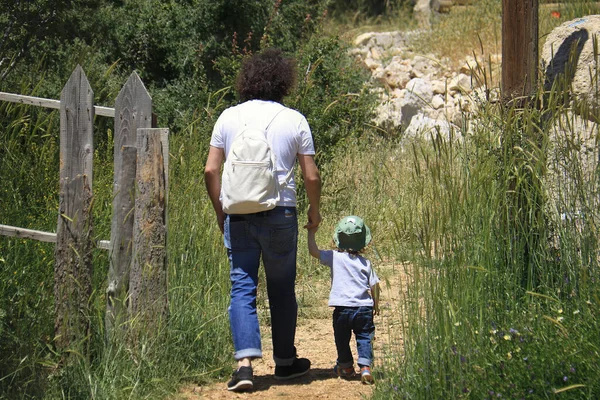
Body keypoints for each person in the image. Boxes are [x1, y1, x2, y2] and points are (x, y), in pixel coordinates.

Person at [204, 48, 322, 392]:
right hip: (282, 212)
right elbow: (311, 176)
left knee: (242, 288)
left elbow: (211, 169)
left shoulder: (227, 117)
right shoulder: (294, 119)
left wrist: (221, 211)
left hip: (238, 214)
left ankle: (244, 367)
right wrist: (315, 209)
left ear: (247, 80)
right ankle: (285, 362)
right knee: (282, 288)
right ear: (284, 81)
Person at [307, 215, 380, 384]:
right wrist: (376, 304)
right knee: (364, 337)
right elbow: (375, 285)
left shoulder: (334, 257)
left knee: (342, 338)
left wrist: (311, 233)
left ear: (338, 238)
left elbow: (314, 252)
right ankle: (365, 368)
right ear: (364, 241)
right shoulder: (366, 263)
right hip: (363, 308)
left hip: (342, 309)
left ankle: (346, 367)